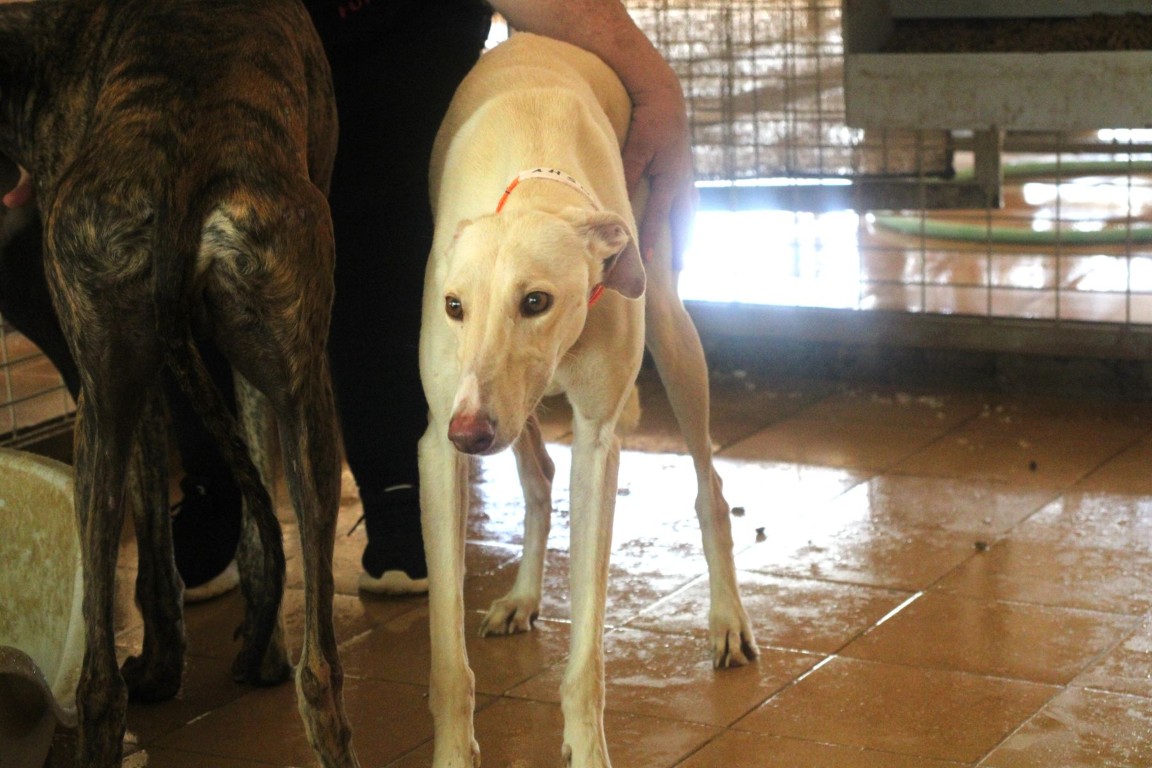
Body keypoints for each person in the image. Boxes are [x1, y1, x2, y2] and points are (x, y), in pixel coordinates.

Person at [1, 0, 697, 598]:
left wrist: (656, 87)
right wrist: (57, 106)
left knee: (378, 199)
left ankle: (396, 476)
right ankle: (213, 480)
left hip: (392, 37)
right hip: (192, 40)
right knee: (112, 229)